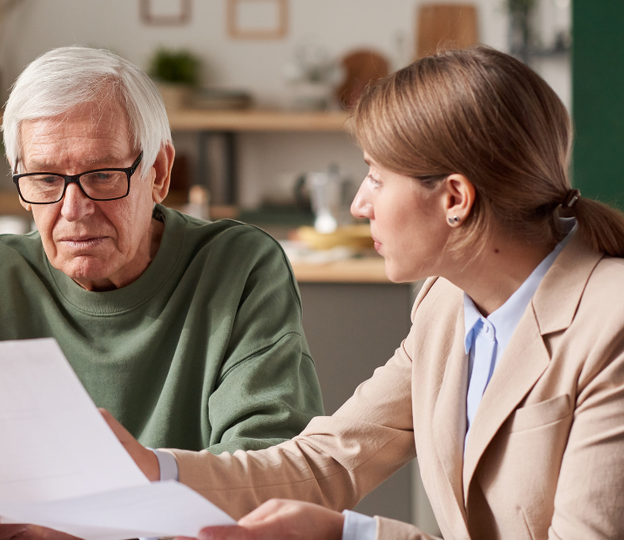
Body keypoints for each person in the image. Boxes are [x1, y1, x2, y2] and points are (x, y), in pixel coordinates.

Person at [107, 46, 624, 540]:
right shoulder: (446, 305)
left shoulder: (611, 326)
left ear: (455, 198)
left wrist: (350, 535)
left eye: (376, 177)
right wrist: (152, 470)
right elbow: (328, 461)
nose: (359, 204)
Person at [0, 46, 324, 540]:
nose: (74, 209)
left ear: (159, 173)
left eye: (102, 175)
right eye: (45, 179)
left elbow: (273, 467)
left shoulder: (239, 267)